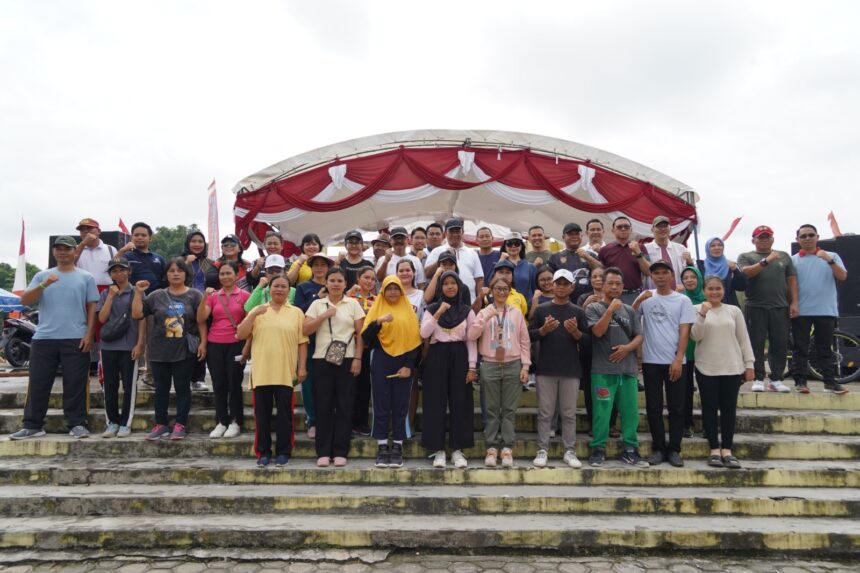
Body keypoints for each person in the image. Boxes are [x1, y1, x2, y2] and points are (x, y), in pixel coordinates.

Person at [9, 236, 99, 440]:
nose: (62, 252)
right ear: (53, 252)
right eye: (58, 248)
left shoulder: (86, 277)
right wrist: (44, 285)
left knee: (75, 383)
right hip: (44, 338)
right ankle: (32, 425)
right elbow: (24, 300)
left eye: (67, 248)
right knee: (38, 382)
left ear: (75, 251)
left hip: (75, 337)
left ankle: (77, 423)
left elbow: (92, 307)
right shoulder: (42, 276)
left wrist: (89, 334)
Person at [131, 258, 207, 441]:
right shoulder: (156, 295)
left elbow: (201, 321)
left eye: (179, 270)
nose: (175, 274)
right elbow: (137, 314)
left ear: (186, 274)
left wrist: (203, 343)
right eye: (171, 271)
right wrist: (138, 293)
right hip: (159, 351)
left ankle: (181, 424)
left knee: (182, 389)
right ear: (166, 274)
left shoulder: (195, 295)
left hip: (184, 351)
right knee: (161, 390)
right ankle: (161, 424)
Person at [237, 275, 308, 467]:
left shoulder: (296, 312)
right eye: (276, 286)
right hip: (261, 372)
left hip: (285, 373)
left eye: (284, 286)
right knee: (262, 416)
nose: (279, 289)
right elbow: (241, 334)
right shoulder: (258, 310)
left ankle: (284, 452)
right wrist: (252, 314)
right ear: (269, 288)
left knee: (285, 416)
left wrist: (302, 367)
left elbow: (302, 343)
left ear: (289, 290)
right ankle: (263, 452)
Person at [633, 260, 696, 467]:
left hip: (675, 361)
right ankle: (659, 448)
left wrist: (679, 358)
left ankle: (675, 449)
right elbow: (631, 318)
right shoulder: (646, 297)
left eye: (664, 272)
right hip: (651, 361)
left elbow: (685, 331)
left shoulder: (682, 300)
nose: (660, 276)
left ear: (671, 275)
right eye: (656, 273)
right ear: (651, 277)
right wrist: (638, 300)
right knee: (654, 407)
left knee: (677, 407)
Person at [586, 267, 648, 468]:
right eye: (610, 283)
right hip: (603, 371)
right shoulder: (593, 308)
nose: (614, 287)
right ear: (603, 285)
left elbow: (639, 335)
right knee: (602, 412)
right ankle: (598, 448)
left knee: (630, 413)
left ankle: (630, 449)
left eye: (618, 284)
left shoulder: (629, 310)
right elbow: (597, 332)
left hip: (628, 370)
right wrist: (610, 310)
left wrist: (626, 348)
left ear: (623, 287)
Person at [303, 267, 366, 467]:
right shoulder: (317, 304)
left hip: (347, 358)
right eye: (332, 280)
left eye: (340, 281)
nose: (336, 284)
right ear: (326, 283)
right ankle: (323, 451)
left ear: (346, 284)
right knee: (323, 405)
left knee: (345, 405)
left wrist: (358, 358)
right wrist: (323, 316)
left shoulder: (353, 304)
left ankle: (340, 450)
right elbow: (305, 329)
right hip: (322, 359)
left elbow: (361, 334)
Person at [691, 275, 755, 469]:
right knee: (709, 408)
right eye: (710, 289)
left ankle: (727, 449)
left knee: (729, 409)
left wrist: (749, 364)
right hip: (706, 367)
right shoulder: (696, 309)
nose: (714, 292)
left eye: (718, 288)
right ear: (704, 290)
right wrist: (702, 314)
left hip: (732, 367)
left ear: (724, 290)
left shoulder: (733, 311)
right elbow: (695, 336)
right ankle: (714, 450)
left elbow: (743, 339)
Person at [528, 269, 589, 469]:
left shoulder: (578, 312)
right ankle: (542, 449)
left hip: (570, 369)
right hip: (546, 368)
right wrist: (543, 330)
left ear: (572, 287)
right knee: (545, 413)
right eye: (558, 283)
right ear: (552, 285)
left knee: (569, 414)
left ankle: (569, 450)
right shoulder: (541, 310)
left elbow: (588, 341)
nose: (561, 287)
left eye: (565, 284)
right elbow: (529, 335)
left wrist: (576, 333)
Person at [468, 276, 531, 467]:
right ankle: (491, 447)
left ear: (509, 291)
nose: (501, 292)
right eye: (498, 289)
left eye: (505, 289)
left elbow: (524, 340)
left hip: (513, 364)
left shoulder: (516, 313)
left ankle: (507, 448)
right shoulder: (484, 311)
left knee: (509, 409)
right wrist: (486, 316)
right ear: (492, 291)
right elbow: (471, 335)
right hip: (490, 364)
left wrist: (525, 366)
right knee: (492, 409)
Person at [362, 276, 423, 468]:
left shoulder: (408, 311)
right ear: (383, 291)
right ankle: (382, 446)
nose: (393, 292)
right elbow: (365, 337)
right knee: (380, 402)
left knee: (400, 403)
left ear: (401, 291)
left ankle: (397, 445)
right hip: (380, 357)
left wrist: (409, 366)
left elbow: (415, 342)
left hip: (403, 360)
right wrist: (378, 322)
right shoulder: (377, 309)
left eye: (396, 288)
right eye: (389, 288)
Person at [420, 272, 478, 469]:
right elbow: (424, 333)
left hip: (460, 355)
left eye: (453, 283)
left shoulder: (467, 311)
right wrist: (438, 313)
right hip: (437, 355)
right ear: (440, 288)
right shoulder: (431, 309)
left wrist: (472, 367)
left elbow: (471, 340)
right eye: (446, 283)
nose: (450, 287)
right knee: (434, 402)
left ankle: (457, 449)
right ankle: (438, 450)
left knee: (460, 402)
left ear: (459, 286)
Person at [738, 226, 798, 393]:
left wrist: (794, 303)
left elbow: (792, 280)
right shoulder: (746, 256)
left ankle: (776, 379)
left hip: (780, 306)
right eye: (761, 237)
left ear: (772, 239)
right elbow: (747, 273)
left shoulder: (783, 256)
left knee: (780, 343)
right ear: (753, 240)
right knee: (756, 343)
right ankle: (758, 378)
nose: (764, 240)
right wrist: (767, 260)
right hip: (755, 306)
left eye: (767, 237)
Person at [791, 224, 849, 395]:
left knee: (824, 348)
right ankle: (801, 382)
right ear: (797, 239)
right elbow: (790, 285)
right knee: (800, 348)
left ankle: (830, 382)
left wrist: (828, 260)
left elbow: (842, 276)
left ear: (817, 237)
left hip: (826, 310)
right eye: (803, 236)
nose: (807, 238)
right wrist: (793, 304)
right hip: (801, 310)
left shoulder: (832, 256)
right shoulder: (793, 260)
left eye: (811, 235)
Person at [198, 261, 250, 439]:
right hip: (214, 344)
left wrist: (247, 347)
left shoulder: (245, 295)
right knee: (218, 384)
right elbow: (201, 318)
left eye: (229, 273)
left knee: (234, 383)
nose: (225, 277)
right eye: (222, 274)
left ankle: (235, 421)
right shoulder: (213, 296)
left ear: (236, 275)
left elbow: (251, 323)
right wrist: (204, 297)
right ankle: (221, 421)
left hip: (235, 344)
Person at [96, 259, 145, 438]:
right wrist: (110, 296)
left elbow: (142, 319)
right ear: (110, 274)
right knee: (109, 385)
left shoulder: (138, 291)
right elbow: (102, 318)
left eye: (122, 270)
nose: (119, 273)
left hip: (130, 346)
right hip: (108, 346)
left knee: (129, 386)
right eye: (114, 271)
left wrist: (140, 344)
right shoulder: (105, 293)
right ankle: (112, 422)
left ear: (129, 271)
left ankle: (126, 423)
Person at [293, 253, 334, 440]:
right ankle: (313, 420)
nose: (319, 268)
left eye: (322, 265)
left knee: (330, 383)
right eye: (315, 265)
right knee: (309, 383)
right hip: (309, 341)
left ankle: (328, 419)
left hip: (330, 341)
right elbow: (299, 312)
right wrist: (318, 297)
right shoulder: (303, 287)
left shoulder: (334, 284)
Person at [119, 222, 166, 386]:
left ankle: (151, 375)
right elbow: (113, 267)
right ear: (131, 237)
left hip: (153, 305)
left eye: (143, 235)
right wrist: (123, 250)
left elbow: (165, 280)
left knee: (152, 339)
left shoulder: (158, 258)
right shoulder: (127, 256)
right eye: (136, 235)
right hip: (131, 302)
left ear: (150, 238)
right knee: (130, 338)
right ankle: (126, 373)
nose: (140, 238)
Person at [183, 230, 219, 391]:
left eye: (200, 241)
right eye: (193, 241)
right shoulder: (180, 261)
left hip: (206, 305)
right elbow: (172, 278)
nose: (197, 244)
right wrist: (186, 263)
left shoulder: (210, 263)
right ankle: (184, 378)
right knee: (185, 342)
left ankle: (198, 378)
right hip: (184, 304)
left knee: (202, 341)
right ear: (187, 243)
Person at [424, 218, 484, 303]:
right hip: (443, 303)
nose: (455, 234)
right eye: (451, 231)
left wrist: (479, 300)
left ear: (462, 232)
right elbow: (427, 273)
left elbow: (479, 279)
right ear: (445, 233)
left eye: (458, 231)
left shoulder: (472, 253)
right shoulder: (437, 251)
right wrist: (441, 260)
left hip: (469, 302)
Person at [348, 267, 378, 435]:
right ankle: (349, 422)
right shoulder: (349, 297)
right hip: (349, 347)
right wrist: (350, 291)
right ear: (358, 278)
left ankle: (361, 422)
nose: (369, 281)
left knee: (365, 386)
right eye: (366, 277)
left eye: (372, 279)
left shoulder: (378, 300)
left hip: (369, 348)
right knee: (349, 387)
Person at [598, 217, 651, 304]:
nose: (623, 229)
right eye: (619, 227)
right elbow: (600, 273)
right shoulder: (605, 250)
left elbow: (648, 272)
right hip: (612, 296)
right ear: (613, 230)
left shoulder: (640, 248)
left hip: (634, 295)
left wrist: (638, 253)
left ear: (631, 230)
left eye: (626, 227)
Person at [679, 266, 705, 437]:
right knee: (685, 390)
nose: (689, 280)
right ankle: (685, 424)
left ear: (699, 279)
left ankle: (708, 425)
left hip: (705, 350)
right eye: (685, 278)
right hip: (686, 350)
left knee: (707, 390)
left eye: (692, 277)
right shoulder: (680, 299)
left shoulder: (709, 298)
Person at [548, 223, 601, 303]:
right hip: (564, 301)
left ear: (581, 236)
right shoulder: (555, 257)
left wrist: (587, 257)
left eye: (577, 234)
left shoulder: (590, 255)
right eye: (570, 234)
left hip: (588, 300)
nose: (574, 237)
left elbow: (602, 272)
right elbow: (550, 281)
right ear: (563, 237)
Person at [642, 216, 694, 288]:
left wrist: (690, 262)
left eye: (665, 226)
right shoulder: (645, 249)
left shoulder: (681, 248)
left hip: (678, 292)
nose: (663, 229)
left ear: (670, 229)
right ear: (652, 229)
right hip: (653, 293)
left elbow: (691, 272)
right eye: (659, 226)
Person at [74, 218, 117, 288]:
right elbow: (69, 263)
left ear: (99, 231)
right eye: (82, 230)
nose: (86, 231)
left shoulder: (111, 249)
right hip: (83, 289)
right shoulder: (75, 249)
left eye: (89, 228)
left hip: (106, 289)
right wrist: (83, 243)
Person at [703, 237, 747, 306]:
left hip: (729, 307)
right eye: (713, 246)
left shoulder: (730, 265)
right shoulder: (701, 266)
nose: (717, 248)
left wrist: (735, 271)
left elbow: (741, 286)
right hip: (707, 307)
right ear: (707, 248)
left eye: (720, 245)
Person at [499, 232, 537, 304]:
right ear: (505, 246)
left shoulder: (530, 267)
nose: (513, 246)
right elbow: (491, 283)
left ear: (521, 246)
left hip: (526, 307)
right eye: (509, 244)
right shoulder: (500, 265)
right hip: (505, 306)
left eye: (517, 243)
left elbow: (535, 290)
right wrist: (500, 262)